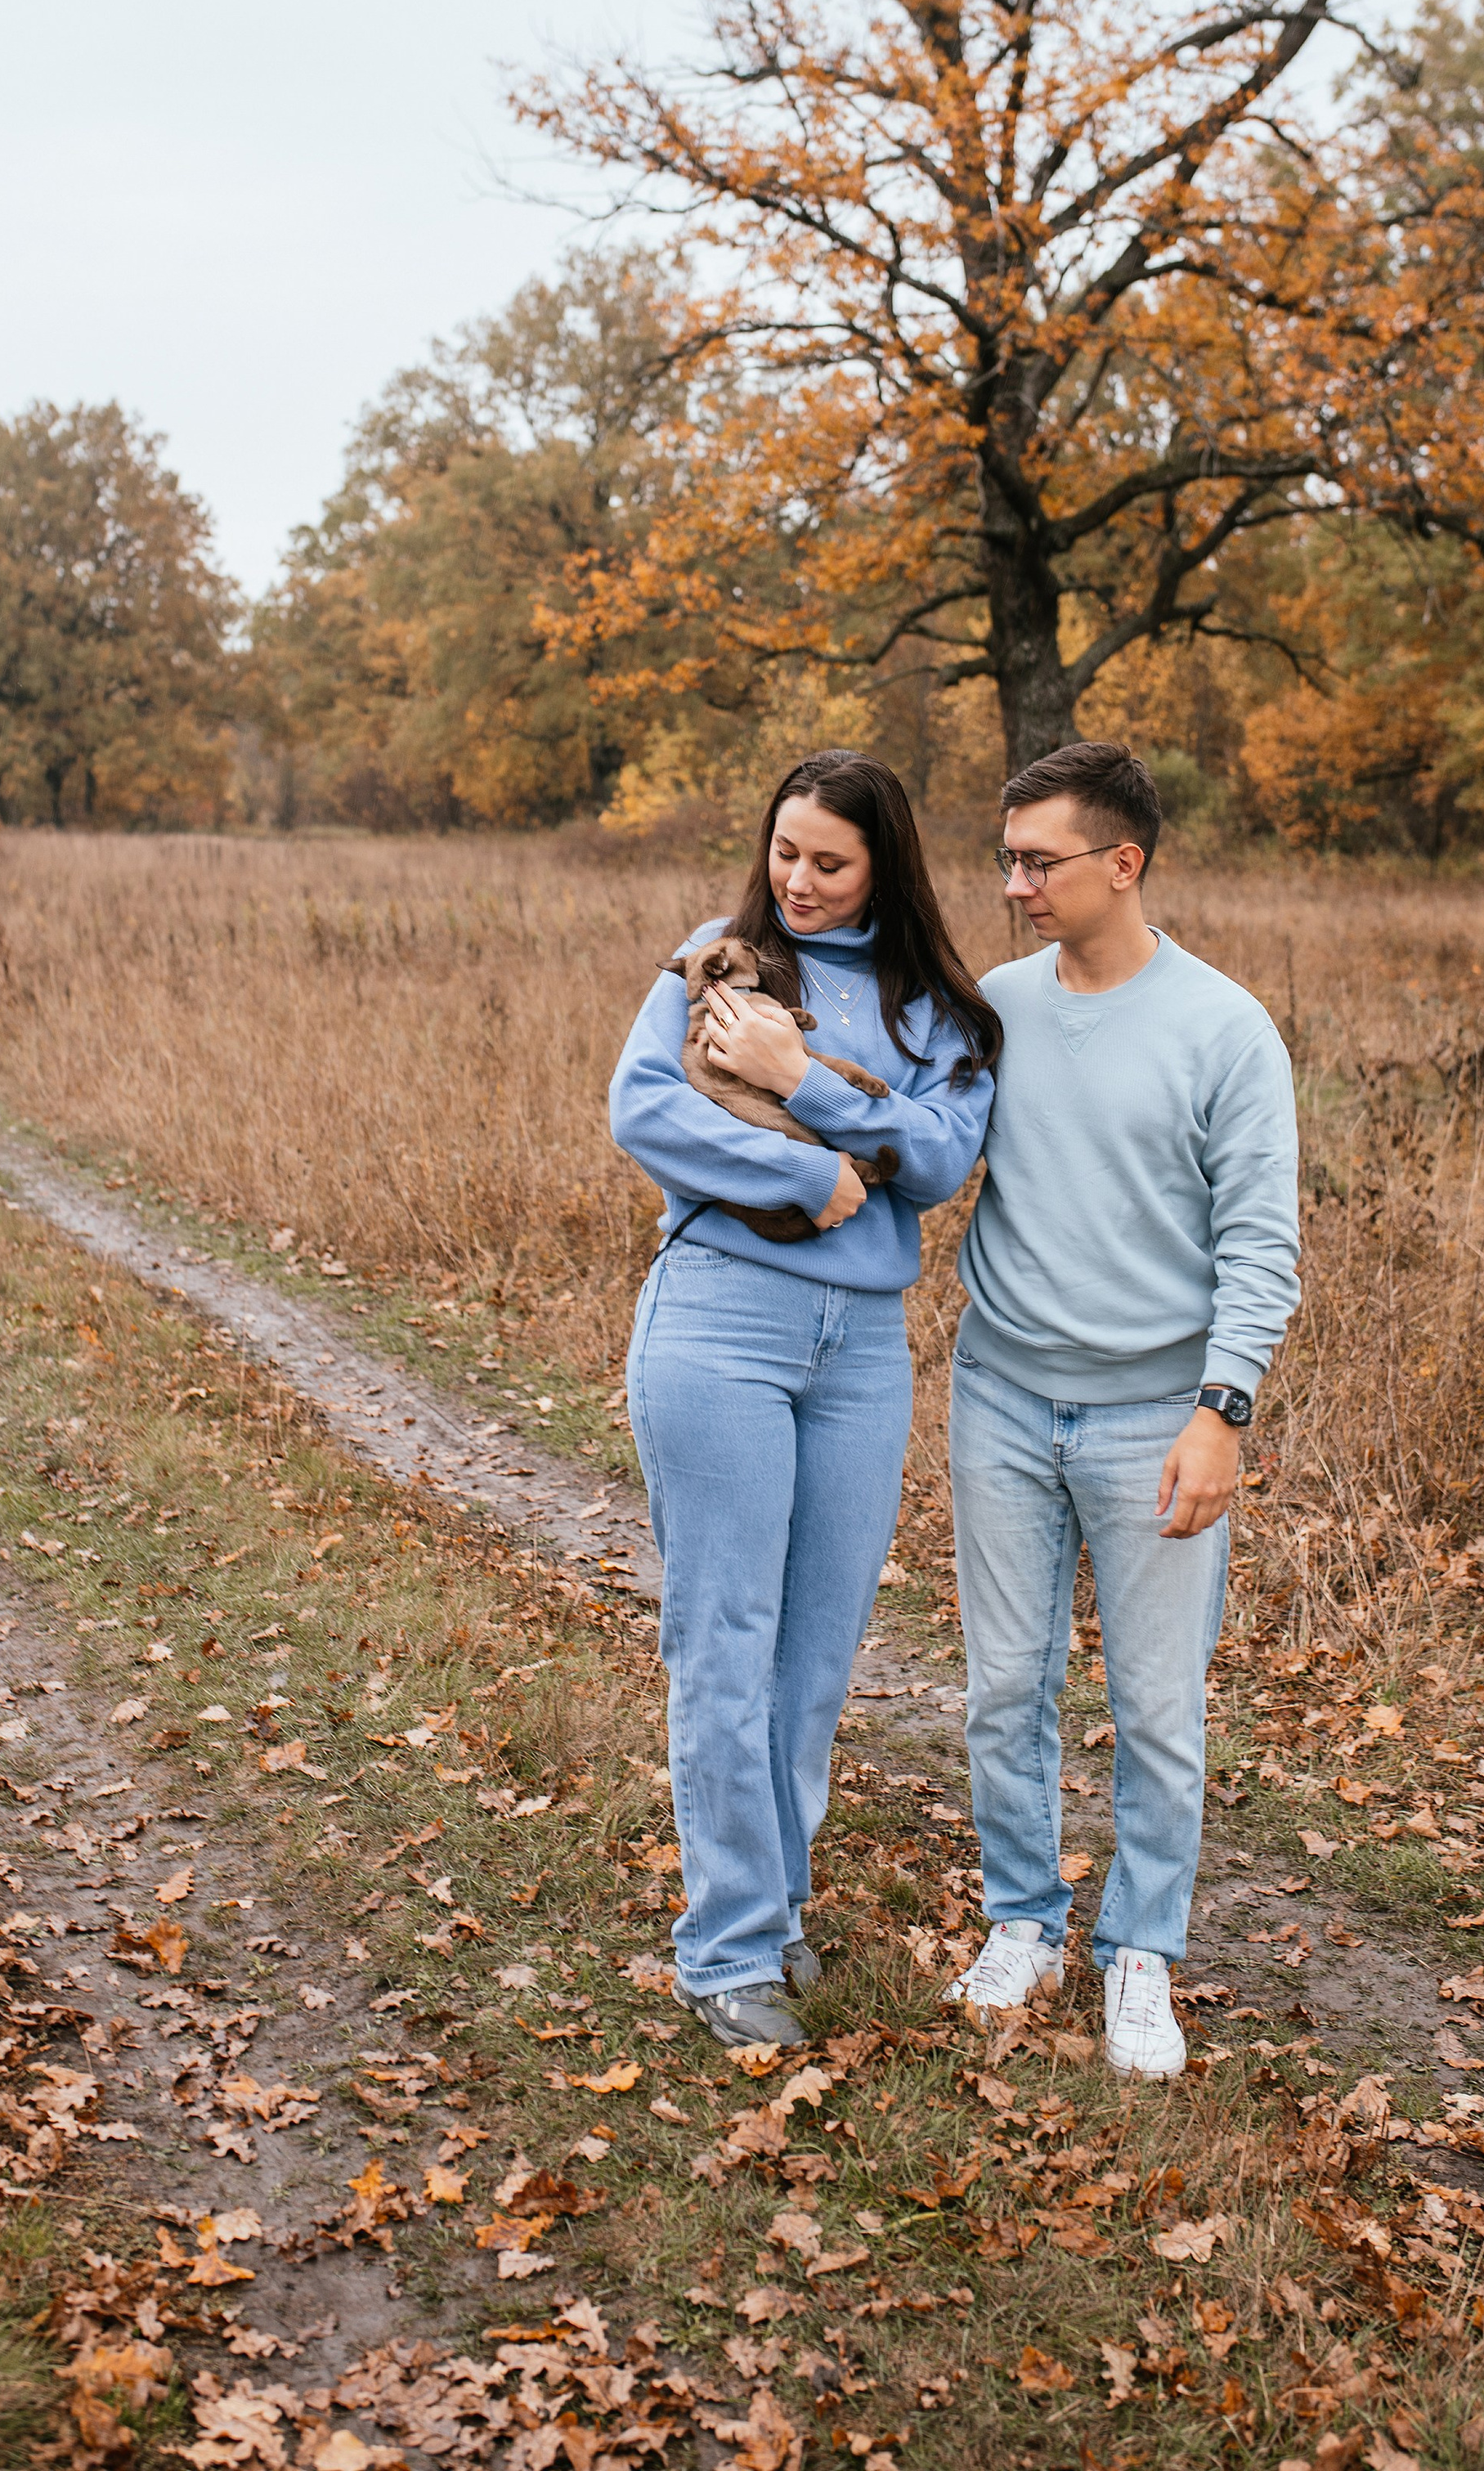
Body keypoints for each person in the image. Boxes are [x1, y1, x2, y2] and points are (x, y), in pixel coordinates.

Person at [608, 751, 1001, 2048]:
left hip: (863, 1353)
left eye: (831, 862)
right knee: (724, 1640)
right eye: (785, 853)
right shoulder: (720, 962)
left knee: (815, 1657)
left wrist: (802, 1080)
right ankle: (726, 1950)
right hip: (719, 1319)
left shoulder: (936, 1012)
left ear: (885, 864)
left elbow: (937, 1161)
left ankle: (774, 1908)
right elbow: (645, 1112)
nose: (800, 881)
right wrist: (806, 1177)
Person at [942, 741, 1299, 2078]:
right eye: (1008, 859)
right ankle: (1022, 1923)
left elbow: (1262, 1244)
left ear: (1123, 863)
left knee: (1156, 1707)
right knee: (1004, 1686)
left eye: (1039, 862)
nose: (1015, 885)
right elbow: (925, 1155)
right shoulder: (996, 1008)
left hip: (1158, 1413)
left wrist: (1223, 1412)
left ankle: (1140, 1952)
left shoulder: (1224, 1028)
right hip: (999, 1394)